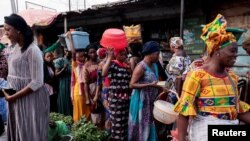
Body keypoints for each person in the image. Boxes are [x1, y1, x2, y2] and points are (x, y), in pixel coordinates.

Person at [174, 14, 250, 141]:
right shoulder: (197, 75)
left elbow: (236, 108)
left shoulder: (232, 77)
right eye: (232, 51)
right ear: (217, 50)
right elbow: (184, 112)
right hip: (205, 130)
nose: (236, 55)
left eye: (236, 51)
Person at [2, 14, 49, 141]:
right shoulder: (14, 48)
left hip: (31, 100)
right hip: (16, 99)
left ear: (18, 29)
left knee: (30, 131)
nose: (6, 33)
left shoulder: (33, 50)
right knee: (19, 130)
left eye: (8, 29)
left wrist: (13, 97)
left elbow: (37, 82)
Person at [128, 41, 165, 141]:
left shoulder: (155, 66)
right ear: (150, 53)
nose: (158, 56)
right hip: (141, 101)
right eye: (157, 54)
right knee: (141, 125)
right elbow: (131, 84)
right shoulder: (141, 67)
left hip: (151, 101)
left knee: (149, 123)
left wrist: (162, 89)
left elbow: (156, 82)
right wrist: (149, 85)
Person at [102, 47, 131, 141]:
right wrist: (110, 58)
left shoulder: (125, 65)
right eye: (121, 54)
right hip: (116, 100)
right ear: (116, 54)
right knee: (116, 124)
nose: (124, 56)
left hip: (126, 99)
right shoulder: (113, 64)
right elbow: (103, 73)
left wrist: (129, 67)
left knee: (124, 123)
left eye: (125, 54)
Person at [166, 36, 191, 103]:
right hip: (180, 89)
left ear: (173, 46)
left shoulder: (177, 58)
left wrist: (178, 96)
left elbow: (178, 78)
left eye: (170, 45)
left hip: (175, 91)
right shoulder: (186, 56)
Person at [54, 46, 72, 116]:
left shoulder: (73, 60)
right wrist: (63, 68)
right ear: (64, 51)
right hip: (64, 84)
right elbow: (56, 74)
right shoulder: (60, 60)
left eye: (68, 50)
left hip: (72, 84)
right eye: (65, 50)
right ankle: (65, 119)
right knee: (65, 101)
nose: (67, 52)